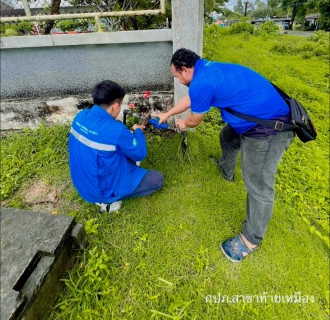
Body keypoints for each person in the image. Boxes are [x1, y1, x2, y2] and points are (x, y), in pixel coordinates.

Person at [158, 48, 295, 262]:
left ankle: (251, 240)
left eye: (176, 76)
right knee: (228, 137)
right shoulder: (206, 70)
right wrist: (167, 114)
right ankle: (225, 170)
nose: (178, 80)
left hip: (269, 128)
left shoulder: (202, 82)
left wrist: (184, 123)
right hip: (256, 115)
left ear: (185, 69)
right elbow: (192, 99)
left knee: (258, 185)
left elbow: (194, 120)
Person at [69, 80, 163, 213]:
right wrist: (138, 131)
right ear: (115, 106)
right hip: (101, 191)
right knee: (157, 179)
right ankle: (111, 202)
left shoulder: (80, 117)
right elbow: (140, 153)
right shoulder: (116, 130)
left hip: (82, 184)